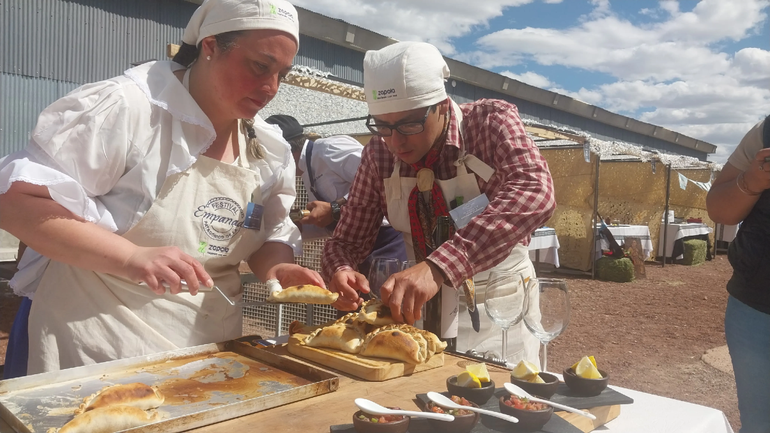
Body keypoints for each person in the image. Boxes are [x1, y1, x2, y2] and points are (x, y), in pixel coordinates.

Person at [0, 0, 323, 375]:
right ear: (211, 46)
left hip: (210, 351)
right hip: (99, 348)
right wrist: (130, 258)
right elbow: (17, 202)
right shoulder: (130, 108)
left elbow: (269, 235)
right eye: (260, 66)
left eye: (282, 74)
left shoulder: (267, 147)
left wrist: (277, 268)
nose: (271, 88)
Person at [321, 41, 555, 363]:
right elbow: (346, 240)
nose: (396, 142)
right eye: (383, 126)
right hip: (416, 314)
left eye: (409, 124)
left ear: (443, 105)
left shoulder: (489, 124)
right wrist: (341, 270)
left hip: (499, 310)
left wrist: (440, 265)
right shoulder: (378, 153)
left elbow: (534, 190)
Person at [264, 114, 407, 279]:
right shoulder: (306, 173)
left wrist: (334, 208)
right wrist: (295, 227)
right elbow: (329, 223)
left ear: (286, 150)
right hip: (355, 250)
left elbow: (379, 178)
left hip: (387, 240)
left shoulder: (329, 149)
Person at [706, 116, 770, 433]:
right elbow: (719, 210)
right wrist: (754, 180)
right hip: (757, 311)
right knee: (759, 424)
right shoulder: (765, 132)